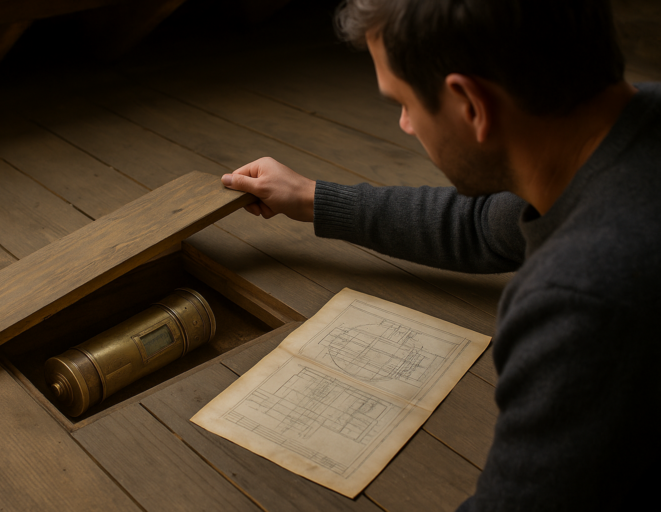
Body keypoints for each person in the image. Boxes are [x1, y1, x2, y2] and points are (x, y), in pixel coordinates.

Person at [220, 0, 661, 510]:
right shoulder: (627, 126)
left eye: (402, 103)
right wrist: (314, 198)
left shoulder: (584, 296)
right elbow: (483, 224)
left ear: (470, 105)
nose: (406, 124)